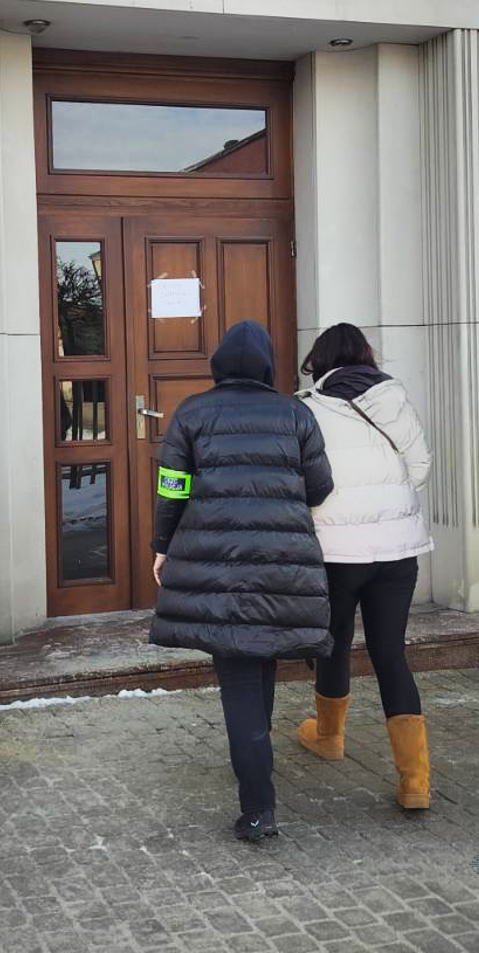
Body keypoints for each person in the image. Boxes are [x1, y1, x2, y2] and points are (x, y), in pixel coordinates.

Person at [149, 320, 334, 841]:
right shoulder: (295, 414)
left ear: (219, 366)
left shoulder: (191, 413)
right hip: (282, 563)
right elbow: (320, 487)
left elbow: (172, 489)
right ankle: (258, 763)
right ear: (267, 367)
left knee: (239, 682)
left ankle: (258, 808)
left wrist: (162, 546)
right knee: (261, 662)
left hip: (219, 568)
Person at [295, 322, 433, 810]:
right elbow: (420, 469)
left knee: (333, 642)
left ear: (319, 361)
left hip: (337, 552)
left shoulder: (309, 408)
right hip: (398, 550)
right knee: (390, 653)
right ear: (366, 356)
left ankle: (329, 737)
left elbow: (305, 481)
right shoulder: (395, 398)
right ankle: (415, 782)